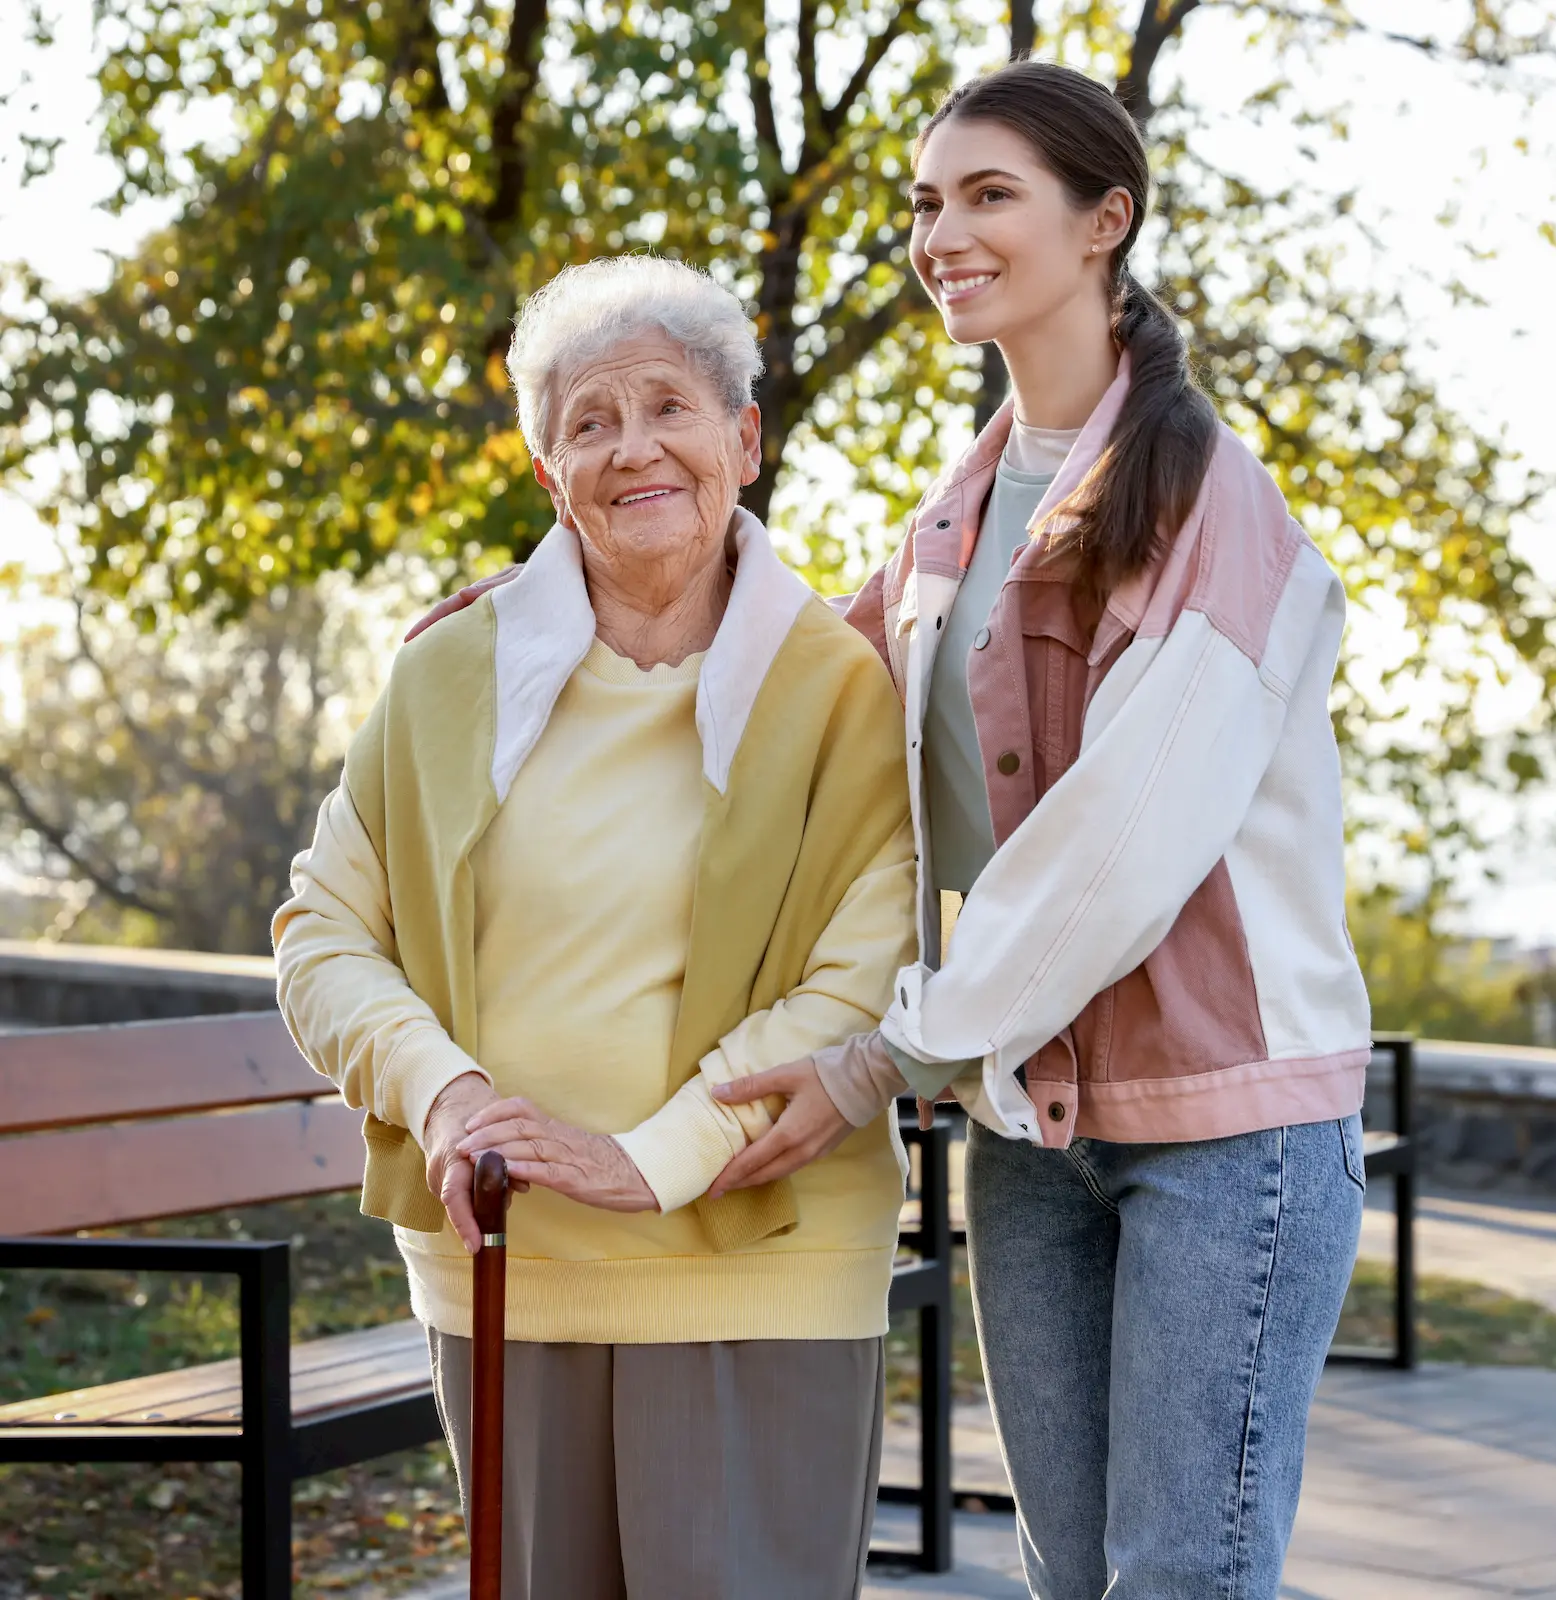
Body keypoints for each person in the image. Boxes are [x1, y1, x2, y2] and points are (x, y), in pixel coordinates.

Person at [413, 63, 1374, 1600]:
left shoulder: (1213, 509)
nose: (944, 233)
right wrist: (536, 610)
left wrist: (884, 1053)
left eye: (991, 195)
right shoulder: (954, 521)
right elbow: (779, 666)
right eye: (929, 203)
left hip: (1227, 1131)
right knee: (1075, 1576)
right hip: (1035, 1135)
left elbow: (1109, 861)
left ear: (1104, 221)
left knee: (1183, 1577)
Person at [273, 255, 920, 1600]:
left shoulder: (845, 689)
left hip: (764, 1272)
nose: (635, 450)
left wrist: (647, 1159)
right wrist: (443, 1097)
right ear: (546, 469)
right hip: (502, 1264)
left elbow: (868, 976)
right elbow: (324, 931)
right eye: (588, 422)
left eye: (670, 408)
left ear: (745, 439)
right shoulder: (448, 670)